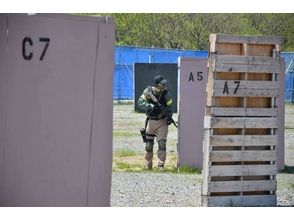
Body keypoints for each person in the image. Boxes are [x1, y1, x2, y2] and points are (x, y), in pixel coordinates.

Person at [137, 75, 174, 170]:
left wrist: (169, 117)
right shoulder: (148, 91)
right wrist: (150, 106)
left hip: (162, 122)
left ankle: (160, 165)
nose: (164, 86)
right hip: (151, 121)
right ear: (157, 84)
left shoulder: (166, 94)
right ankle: (147, 164)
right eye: (162, 84)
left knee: (162, 144)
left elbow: (170, 107)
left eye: (165, 84)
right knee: (149, 145)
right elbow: (140, 102)